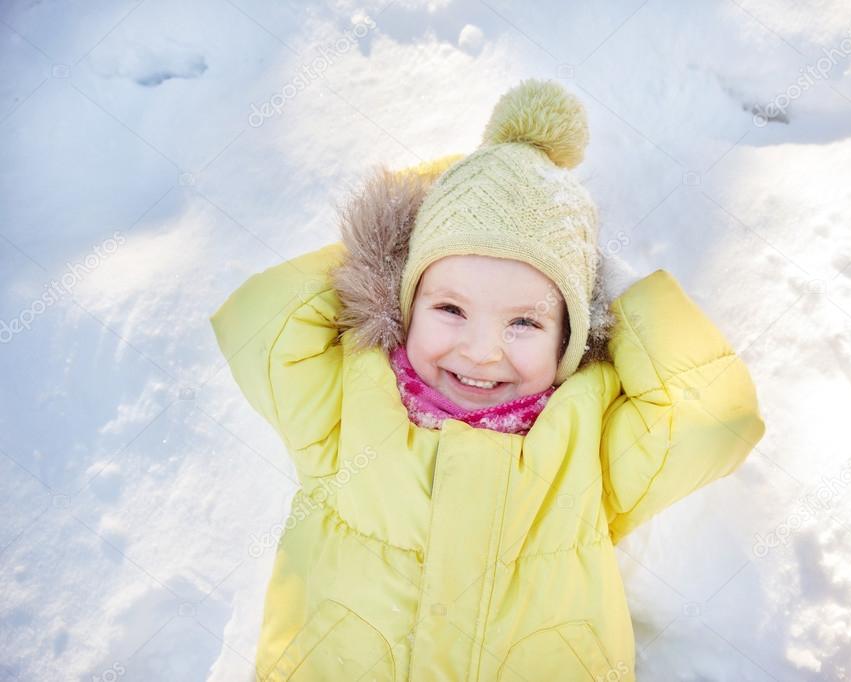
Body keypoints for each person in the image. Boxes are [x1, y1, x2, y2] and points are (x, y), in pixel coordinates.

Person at [210, 78, 766, 682]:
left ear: (568, 338)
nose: (480, 352)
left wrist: (620, 294)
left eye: (524, 322)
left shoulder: (589, 442)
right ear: (403, 304)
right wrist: (417, 210)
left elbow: (715, 417)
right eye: (450, 309)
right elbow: (259, 319)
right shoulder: (342, 402)